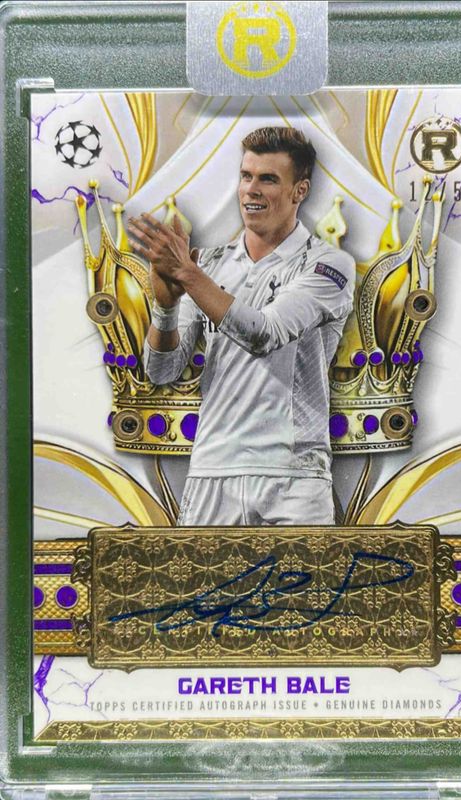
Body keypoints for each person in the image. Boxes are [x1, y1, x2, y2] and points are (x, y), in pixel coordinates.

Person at [128, 127, 355, 526]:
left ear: (300, 191)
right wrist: (166, 306)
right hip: (212, 471)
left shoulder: (328, 264)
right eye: (246, 176)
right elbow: (162, 371)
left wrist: (188, 275)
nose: (252, 189)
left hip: (294, 480)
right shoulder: (210, 265)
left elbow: (265, 334)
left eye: (268, 179)